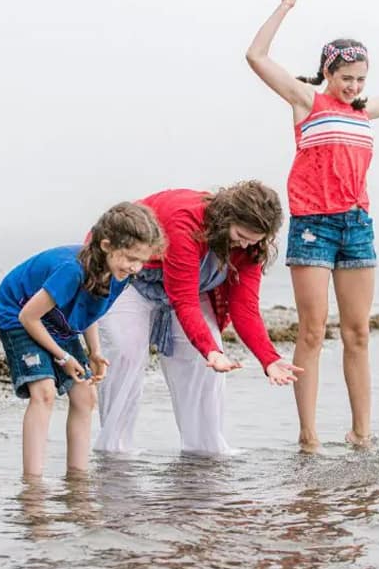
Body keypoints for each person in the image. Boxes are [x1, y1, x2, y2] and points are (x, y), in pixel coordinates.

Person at [245, 0, 379, 451]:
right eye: (346, 77)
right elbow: (257, 57)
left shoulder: (365, 111)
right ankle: (308, 436)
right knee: (311, 330)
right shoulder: (307, 101)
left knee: (358, 333)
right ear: (328, 72)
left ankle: (361, 433)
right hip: (314, 226)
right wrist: (284, 6)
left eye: (360, 79)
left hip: (356, 226)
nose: (353, 86)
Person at [93, 180, 304, 455]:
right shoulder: (186, 221)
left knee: (204, 363)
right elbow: (184, 299)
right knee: (126, 352)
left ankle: (205, 454)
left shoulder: (251, 247)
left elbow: (245, 307)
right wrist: (211, 351)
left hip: (190, 287)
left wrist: (269, 358)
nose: (245, 244)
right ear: (227, 218)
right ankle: (114, 453)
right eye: (241, 235)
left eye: (255, 239)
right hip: (130, 275)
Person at [0, 202, 165, 477]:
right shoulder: (71, 270)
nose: (136, 267)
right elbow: (29, 317)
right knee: (44, 392)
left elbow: (89, 310)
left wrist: (94, 351)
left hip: (57, 319)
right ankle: (33, 485)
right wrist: (63, 357)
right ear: (106, 245)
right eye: (130, 257)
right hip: (19, 312)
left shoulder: (120, 276)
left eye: (141, 260)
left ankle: (77, 479)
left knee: (85, 395)